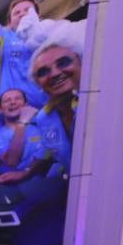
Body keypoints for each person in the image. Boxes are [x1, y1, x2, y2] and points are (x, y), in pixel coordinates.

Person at [29, 31, 82, 177]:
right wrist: (26, 173)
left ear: (81, 63)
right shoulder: (43, 118)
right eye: (43, 71)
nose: (55, 73)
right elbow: (50, 151)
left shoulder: (103, 103)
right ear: (38, 83)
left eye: (63, 63)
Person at [0, 88, 52, 184]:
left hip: (46, 185)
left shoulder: (41, 129)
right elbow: (12, 161)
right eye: (7, 101)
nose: (13, 102)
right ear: (0, 110)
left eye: (18, 99)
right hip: (14, 190)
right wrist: (21, 123)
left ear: (26, 105)